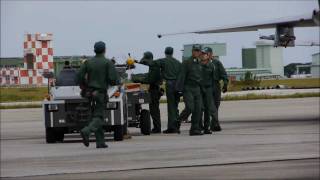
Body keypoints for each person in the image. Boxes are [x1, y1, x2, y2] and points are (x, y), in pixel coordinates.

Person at [76, 41, 120, 148]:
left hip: (89, 93)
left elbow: (78, 77)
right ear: (104, 50)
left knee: (95, 116)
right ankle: (87, 131)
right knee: (99, 117)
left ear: (94, 50)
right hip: (100, 93)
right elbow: (113, 80)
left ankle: (100, 142)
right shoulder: (107, 62)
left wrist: (85, 86)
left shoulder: (88, 62)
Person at [176, 44, 203, 136]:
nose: (196, 52)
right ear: (192, 51)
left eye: (198, 51)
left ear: (200, 52)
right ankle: (178, 121)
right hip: (188, 88)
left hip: (197, 89)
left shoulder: (200, 63)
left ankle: (195, 129)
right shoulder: (186, 63)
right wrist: (179, 90)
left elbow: (201, 77)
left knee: (198, 109)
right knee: (190, 108)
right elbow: (182, 76)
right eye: (195, 50)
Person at [153, 47, 182, 134]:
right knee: (175, 107)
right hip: (178, 85)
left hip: (170, 85)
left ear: (165, 52)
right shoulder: (178, 62)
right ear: (172, 53)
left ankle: (172, 127)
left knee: (171, 107)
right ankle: (176, 125)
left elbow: (153, 63)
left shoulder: (163, 61)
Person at [139, 52, 163, 134]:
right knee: (154, 109)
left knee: (154, 110)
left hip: (154, 90)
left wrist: (140, 80)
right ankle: (157, 127)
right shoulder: (153, 65)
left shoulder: (154, 67)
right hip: (154, 89)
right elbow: (144, 62)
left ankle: (157, 128)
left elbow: (150, 79)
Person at [208, 48, 228, 131]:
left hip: (216, 86)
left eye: (208, 53)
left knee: (216, 105)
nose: (207, 55)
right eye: (205, 53)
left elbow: (223, 74)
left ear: (211, 54)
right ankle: (215, 124)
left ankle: (213, 124)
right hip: (207, 86)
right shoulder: (200, 63)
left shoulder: (217, 62)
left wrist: (225, 84)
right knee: (210, 107)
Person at [199, 47, 218, 134]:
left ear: (208, 55)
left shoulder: (212, 66)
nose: (203, 55)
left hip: (208, 89)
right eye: (202, 54)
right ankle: (199, 126)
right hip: (199, 89)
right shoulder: (197, 65)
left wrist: (213, 91)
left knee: (207, 109)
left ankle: (206, 128)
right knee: (199, 108)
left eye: (204, 54)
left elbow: (214, 79)